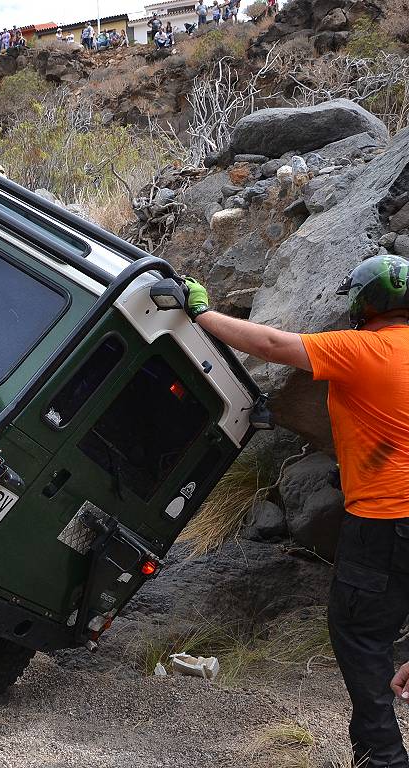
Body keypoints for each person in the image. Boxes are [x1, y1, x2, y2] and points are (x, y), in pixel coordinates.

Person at [185, 256, 409, 768]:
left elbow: (270, 345)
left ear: (365, 303)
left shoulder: (362, 348)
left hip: (382, 523)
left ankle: (383, 759)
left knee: (360, 637)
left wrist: (202, 313)